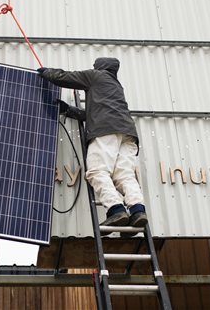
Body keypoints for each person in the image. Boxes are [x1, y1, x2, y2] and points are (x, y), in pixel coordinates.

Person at [38, 58, 148, 232]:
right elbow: (95, 114)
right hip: (128, 133)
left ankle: (116, 209)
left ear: (99, 67)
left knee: (97, 171)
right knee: (125, 175)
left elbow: (66, 77)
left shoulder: (95, 76)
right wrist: (69, 110)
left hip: (106, 131)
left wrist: (46, 72)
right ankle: (137, 210)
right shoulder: (115, 86)